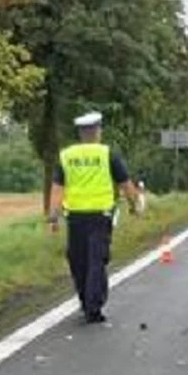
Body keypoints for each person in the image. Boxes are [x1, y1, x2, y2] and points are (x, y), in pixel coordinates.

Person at [47, 111, 144, 324]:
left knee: (78, 261)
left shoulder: (67, 156)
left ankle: (86, 301)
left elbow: (57, 188)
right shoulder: (107, 154)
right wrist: (134, 206)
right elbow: (125, 184)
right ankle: (93, 306)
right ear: (98, 131)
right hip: (100, 216)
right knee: (96, 260)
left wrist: (53, 217)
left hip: (75, 218)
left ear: (81, 133)